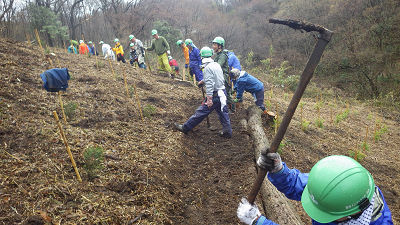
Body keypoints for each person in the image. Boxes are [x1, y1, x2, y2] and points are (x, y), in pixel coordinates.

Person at [237, 153, 393, 225]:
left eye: (325, 213)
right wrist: (278, 171)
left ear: (353, 213)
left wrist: (259, 221)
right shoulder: (332, 184)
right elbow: (298, 183)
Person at [175, 47, 232, 138]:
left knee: (200, 112)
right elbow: (215, 77)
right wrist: (203, 81)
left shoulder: (207, 68)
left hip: (214, 95)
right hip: (222, 92)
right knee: (223, 113)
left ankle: (185, 128)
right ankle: (228, 132)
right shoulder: (216, 64)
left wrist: (209, 99)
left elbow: (210, 84)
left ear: (201, 56)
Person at [212, 36, 235, 113]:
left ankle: (232, 109)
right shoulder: (218, 55)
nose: (213, 46)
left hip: (223, 77)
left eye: (215, 45)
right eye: (213, 44)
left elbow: (218, 66)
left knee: (226, 93)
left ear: (220, 46)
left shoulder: (222, 56)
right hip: (220, 76)